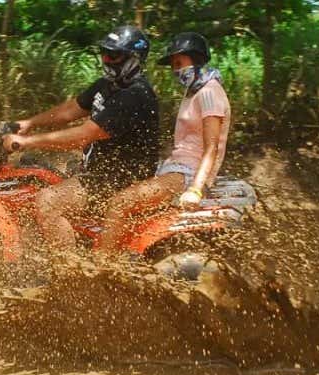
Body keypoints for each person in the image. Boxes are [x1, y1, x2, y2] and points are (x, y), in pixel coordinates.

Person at [0, 25, 161, 252]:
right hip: (97, 172)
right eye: (104, 53)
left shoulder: (135, 94)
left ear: (133, 59)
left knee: (48, 202)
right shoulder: (107, 86)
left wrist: (27, 141)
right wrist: (29, 123)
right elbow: (69, 110)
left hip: (120, 180)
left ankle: (70, 275)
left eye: (113, 55)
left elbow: (83, 135)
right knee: (34, 177)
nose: (106, 60)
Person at [97, 32, 232, 253]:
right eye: (173, 65)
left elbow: (212, 147)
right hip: (174, 167)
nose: (176, 70)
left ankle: (98, 269)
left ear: (196, 59)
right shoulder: (195, 92)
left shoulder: (209, 93)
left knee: (120, 203)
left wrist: (197, 189)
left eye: (179, 63)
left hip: (186, 173)